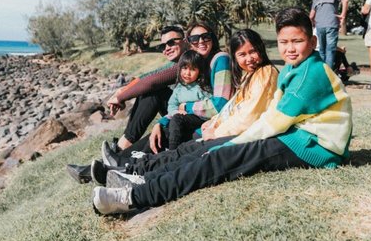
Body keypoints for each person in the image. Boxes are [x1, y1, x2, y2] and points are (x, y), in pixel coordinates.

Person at [90, 7, 353, 215]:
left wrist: (227, 142)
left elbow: (272, 122)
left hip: (314, 147)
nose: (290, 48)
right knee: (207, 150)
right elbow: (266, 114)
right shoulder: (295, 69)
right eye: (284, 42)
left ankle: (133, 197)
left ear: (313, 40)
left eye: (297, 41)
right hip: (296, 136)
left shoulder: (310, 73)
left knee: (218, 157)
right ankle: (138, 175)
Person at [68, 28, 278, 183]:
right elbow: (149, 77)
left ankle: (113, 160)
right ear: (189, 42)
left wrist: (179, 111)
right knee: (156, 104)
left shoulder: (219, 60)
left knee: (163, 119)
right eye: (194, 39)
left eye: (205, 37)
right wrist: (158, 117)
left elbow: (221, 104)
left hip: (203, 119)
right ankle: (114, 158)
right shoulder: (189, 62)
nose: (200, 42)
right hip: (195, 117)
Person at [103, 25, 186, 153]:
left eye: (170, 43)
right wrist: (122, 90)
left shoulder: (188, 62)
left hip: (190, 116)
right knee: (150, 89)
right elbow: (146, 76)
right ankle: (120, 149)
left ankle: (121, 148)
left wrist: (121, 98)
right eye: (162, 46)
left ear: (184, 40)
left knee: (154, 91)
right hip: (178, 111)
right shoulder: (175, 63)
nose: (167, 49)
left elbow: (151, 82)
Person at [161, 50, 212, 149]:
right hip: (183, 118)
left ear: (199, 71)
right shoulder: (179, 88)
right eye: (184, 68)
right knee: (171, 123)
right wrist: (176, 111)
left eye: (192, 69)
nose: (187, 73)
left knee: (176, 119)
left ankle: (173, 150)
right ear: (180, 68)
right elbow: (171, 105)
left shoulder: (201, 88)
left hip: (198, 119)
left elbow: (209, 105)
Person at [309, 0, 348, 69]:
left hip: (319, 25)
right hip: (331, 24)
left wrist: (314, 23)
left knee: (322, 50)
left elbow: (311, 16)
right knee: (330, 51)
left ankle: (321, 73)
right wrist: (343, 15)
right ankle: (328, 75)